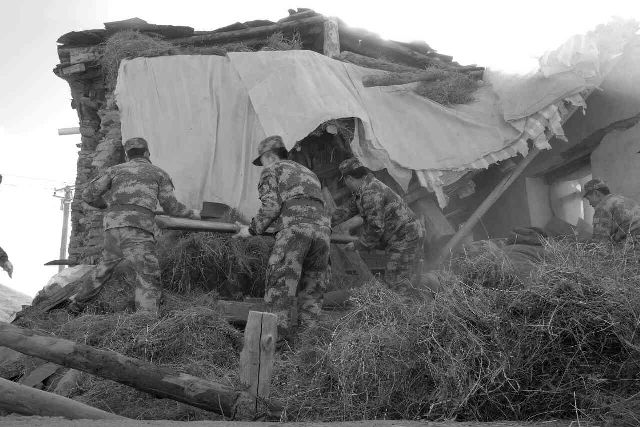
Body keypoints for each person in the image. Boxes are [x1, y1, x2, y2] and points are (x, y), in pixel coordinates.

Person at [71, 137, 199, 313]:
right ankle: (145, 319)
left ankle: (77, 304)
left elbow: (87, 195)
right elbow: (171, 207)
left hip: (113, 227)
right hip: (138, 228)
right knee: (147, 272)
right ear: (146, 153)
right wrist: (193, 214)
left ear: (127, 155)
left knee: (105, 267)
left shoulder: (114, 170)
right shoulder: (158, 173)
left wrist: (105, 206)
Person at [235, 135, 331, 333]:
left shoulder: (273, 169)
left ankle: (276, 343)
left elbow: (271, 207)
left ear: (270, 156)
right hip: (322, 233)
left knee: (280, 289)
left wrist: (250, 230)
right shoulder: (309, 173)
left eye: (262, 161)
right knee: (312, 291)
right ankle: (308, 342)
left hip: (295, 232)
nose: (262, 166)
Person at [332, 157, 424, 292]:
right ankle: (417, 295)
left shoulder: (371, 192)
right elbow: (346, 210)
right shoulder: (365, 189)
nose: (346, 184)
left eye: (345, 180)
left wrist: (358, 244)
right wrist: (324, 222)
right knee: (400, 278)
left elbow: (376, 227)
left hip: (405, 237)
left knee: (396, 281)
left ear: (349, 178)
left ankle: (408, 302)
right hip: (402, 236)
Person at [582, 178, 640, 243]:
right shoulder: (624, 200)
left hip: (632, 245)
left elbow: (600, 242)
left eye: (589, 199)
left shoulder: (603, 206)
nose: (589, 203)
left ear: (596, 193)